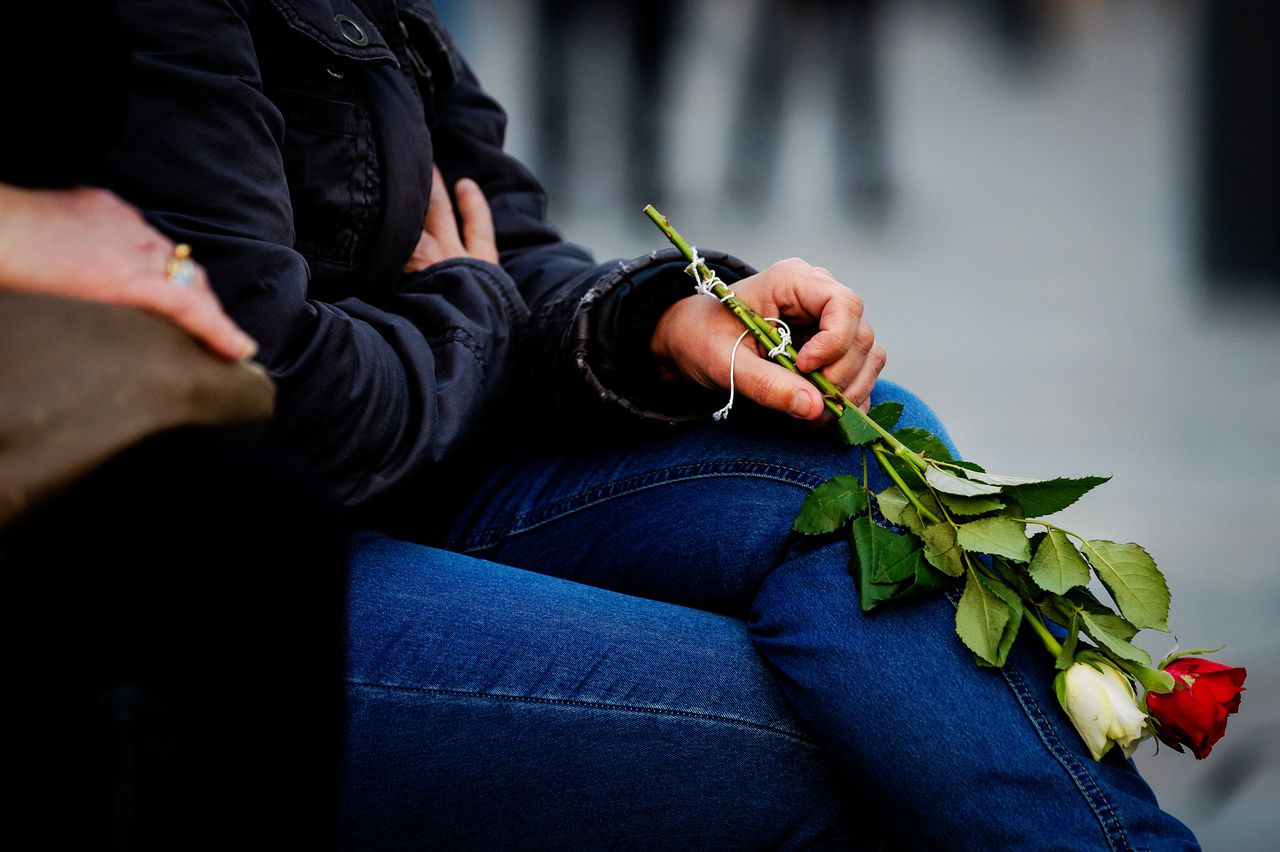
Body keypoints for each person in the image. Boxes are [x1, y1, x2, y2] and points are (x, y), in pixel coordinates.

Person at [81, 1, 1198, 847]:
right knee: (833, 748)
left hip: (429, 458)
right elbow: (278, 386)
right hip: (214, 553)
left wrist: (661, 320)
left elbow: (494, 232)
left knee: (855, 440)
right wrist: (462, 301)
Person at [0, 183, 349, 850]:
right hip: (342, 498)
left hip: (446, 439)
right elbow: (289, 363)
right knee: (243, 528)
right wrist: (473, 305)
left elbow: (516, 231)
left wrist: (576, 323)